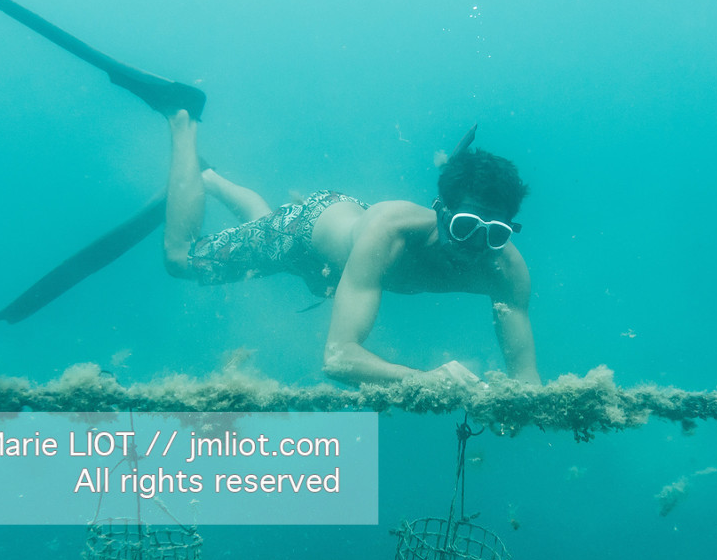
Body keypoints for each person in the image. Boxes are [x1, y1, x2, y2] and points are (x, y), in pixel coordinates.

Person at [159, 110, 540, 386]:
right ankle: (182, 121)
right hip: (305, 230)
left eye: (495, 234)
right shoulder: (390, 234)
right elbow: (339, 357)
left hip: (343, 264)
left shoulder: (505, 270)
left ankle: (208, 178)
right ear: (441, 210)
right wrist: (427, 380)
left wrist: (513, 406)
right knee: (180, 259)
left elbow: (526, 378)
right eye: (466, 226)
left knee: (262, 230)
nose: (476, 246)